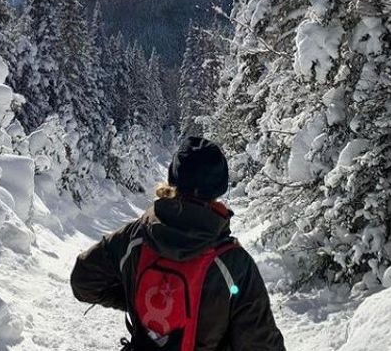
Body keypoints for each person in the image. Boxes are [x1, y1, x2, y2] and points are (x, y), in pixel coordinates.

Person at [71, 137, 286, 351]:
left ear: (174, 178)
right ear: (219, 188)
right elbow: (261, 343)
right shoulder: (234, 263)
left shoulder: (135, 236)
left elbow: (83, 281)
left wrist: (136, 301)